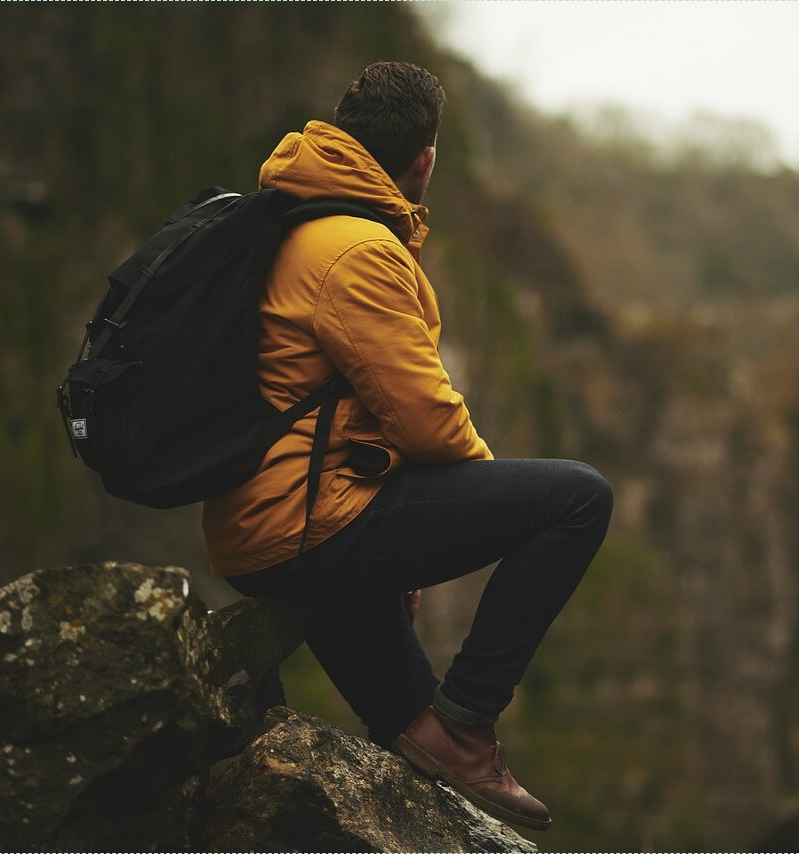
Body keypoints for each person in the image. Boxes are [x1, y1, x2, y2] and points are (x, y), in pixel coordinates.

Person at [201, 61, 613, 832]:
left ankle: (443, 742)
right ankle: (471, 721)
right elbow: (426, 418)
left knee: (415, 740)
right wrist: (466, 515)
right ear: (423, 159)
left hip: (269, 524)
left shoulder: (292, 219)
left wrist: (405, 529)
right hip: (302, 525)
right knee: (578, 497)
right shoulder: (355, 248)